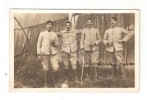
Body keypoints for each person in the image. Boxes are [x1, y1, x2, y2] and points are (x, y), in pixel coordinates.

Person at [37, 20, 59, 87]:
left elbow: (58, 44)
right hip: (44, 53)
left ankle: (54, 82)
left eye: (50, 24)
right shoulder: (42, 33)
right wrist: (39, 54)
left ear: (52, 26)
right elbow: (38, 44)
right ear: (46, 26)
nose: (49, 26)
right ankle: (46, 83)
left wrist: (54, 43)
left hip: (53, 53)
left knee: (56, 67)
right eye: (48, 24)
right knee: (45, 68)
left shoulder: (54, 34)